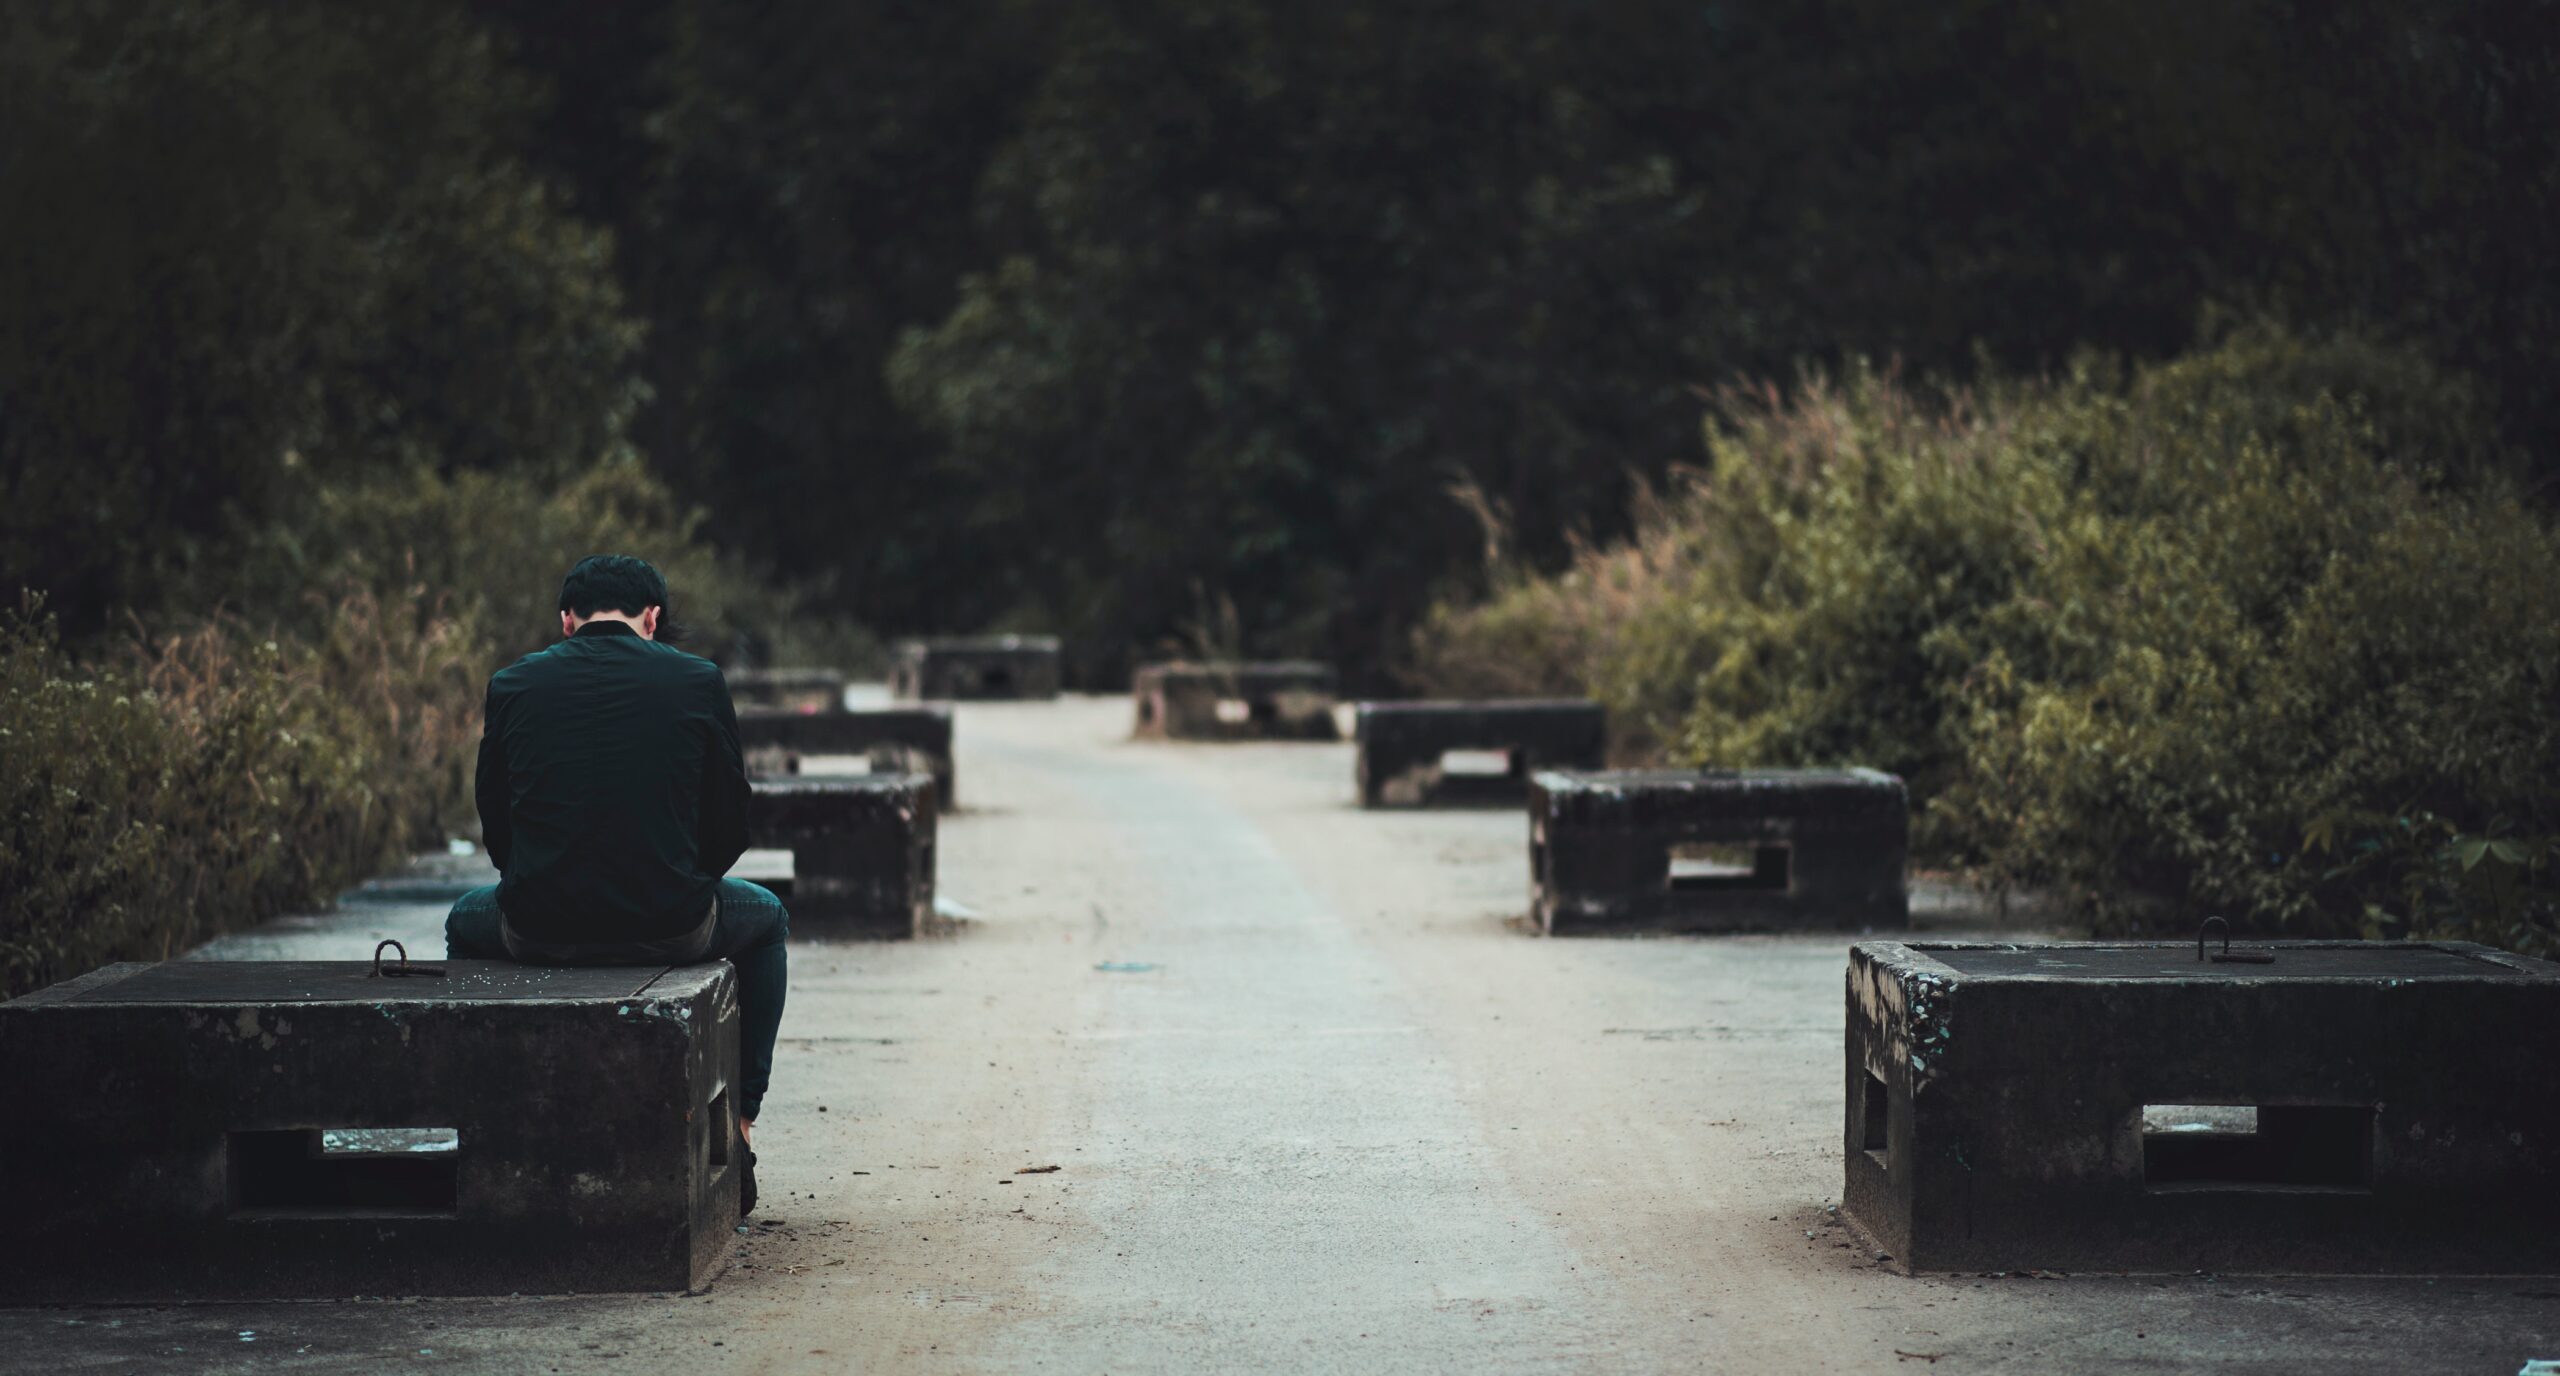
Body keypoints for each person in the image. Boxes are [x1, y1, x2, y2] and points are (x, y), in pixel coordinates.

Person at [445, 554, 786, 1214]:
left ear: (567, 620)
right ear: (651, 618)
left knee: (465, 919)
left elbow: (497, 826)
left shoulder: (512, 683)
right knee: (767, 918)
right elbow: (730, 823)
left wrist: (544, 884)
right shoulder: (699, 680)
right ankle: (741, 1124)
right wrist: (677, 880)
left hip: (536, 929)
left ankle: (486, 1125)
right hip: (673, 926)